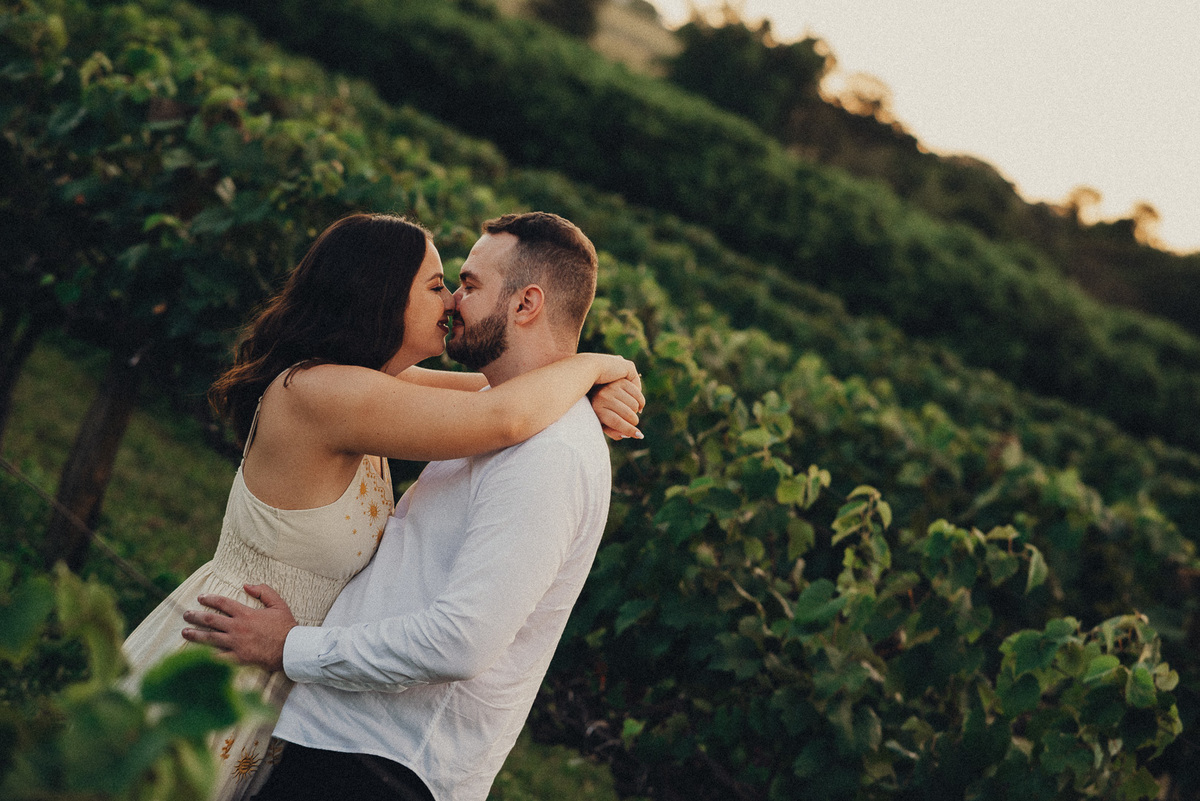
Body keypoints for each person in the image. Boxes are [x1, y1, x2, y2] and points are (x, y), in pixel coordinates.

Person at [121, 212, 643, 800]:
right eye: (439, 285)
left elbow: (506, 397)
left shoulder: (398, 393)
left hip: (306, 686)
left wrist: (581, 385)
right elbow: (503, 412)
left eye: (464, 284)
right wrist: (599, 366)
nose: (450, 301)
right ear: (381, 295)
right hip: (235, 648)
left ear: (526, 304)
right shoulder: (328, 392)